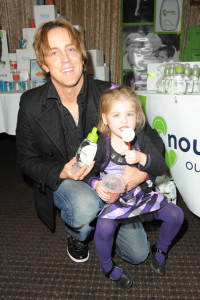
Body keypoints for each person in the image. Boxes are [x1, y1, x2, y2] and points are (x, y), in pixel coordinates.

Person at [16, 19, 152, 265]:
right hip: (69, 183)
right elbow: (26, 159)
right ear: (44, 64)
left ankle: (100, 218)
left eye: (70, 49)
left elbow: (151, 140)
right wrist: (62, 171)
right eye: (53, 52)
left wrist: (140, 172)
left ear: (82, 55)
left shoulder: (111, 93)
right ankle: (78, 233)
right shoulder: (31, 103)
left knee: (138, 254)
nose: (65, 59)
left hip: (112, 178)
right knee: (84, 205)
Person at [83, 86, 184, 289]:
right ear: (105, 118)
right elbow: (84, 171)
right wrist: (95, 184)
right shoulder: (101, 145)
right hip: (115, 198)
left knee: (176, 215)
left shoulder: (141, 140)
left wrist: (142, 158)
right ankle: (108, 267)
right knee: (103, 227)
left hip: (140, 194)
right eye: (116, 115)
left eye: (129, 114)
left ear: (137, 118)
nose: (123, 120)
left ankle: (161, 249)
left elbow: (160, 166)